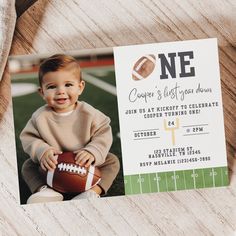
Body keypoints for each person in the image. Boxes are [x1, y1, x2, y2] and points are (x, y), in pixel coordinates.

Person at [20, 54, 120, 204]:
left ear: (80, 87)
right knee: (28, 165)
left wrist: (92, 151)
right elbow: (29, 137)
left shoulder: (89, 113)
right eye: (52, 87)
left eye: (68, 85)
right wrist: (42, 151)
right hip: (54, 165)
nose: (61, 91)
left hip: (84, 162)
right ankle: (45, 191)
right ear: (42, 92)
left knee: (112, 161)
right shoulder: (40, 116)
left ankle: (93, 192)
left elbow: (103, 132)